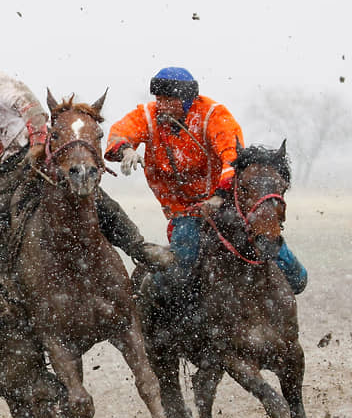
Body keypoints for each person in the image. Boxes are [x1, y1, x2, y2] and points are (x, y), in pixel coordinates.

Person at [0, 40, 170, 327]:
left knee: (88, 194)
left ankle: (138, 248)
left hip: (29, 156)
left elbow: (26, 102)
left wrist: (39, 142)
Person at [105, 66, 307, 302]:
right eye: (159, 99)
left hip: (226, 204)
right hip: (185, 213)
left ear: (188, 99)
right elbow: (120, 132)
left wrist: (219, 195)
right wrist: (126, 149)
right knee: (178, 273)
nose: (163, 105)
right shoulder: (148, 116)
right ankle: (146, 302)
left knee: (289, 269)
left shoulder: (213, 115)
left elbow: (232, 157)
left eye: (170, 100)